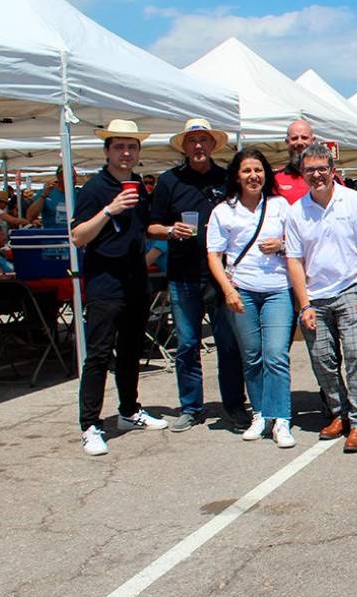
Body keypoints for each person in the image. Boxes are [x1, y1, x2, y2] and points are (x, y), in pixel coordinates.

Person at [70, 119, 167, 456]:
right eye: (119, 147)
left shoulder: (138, 185)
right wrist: (108, 211)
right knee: (98, 355)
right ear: (107, 151)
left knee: (130, 352)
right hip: (104, 284)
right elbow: (78, 236)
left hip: (135, 282)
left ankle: (129, 411)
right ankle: (90, 425)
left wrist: (167, 231)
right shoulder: (95, 189)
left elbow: (143, 229)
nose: (126, 153)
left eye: (132, 147)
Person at [148, 118, 246, 432]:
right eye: (193, 141)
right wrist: (169, 229)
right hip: (183, 274)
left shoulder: (228, 177)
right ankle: (191, 407)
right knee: (188, 344)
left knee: (228, 344)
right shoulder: (168, 180)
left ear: (213, 145)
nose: (199, 146)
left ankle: (233, 405)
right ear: (185, 147)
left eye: (204, 140)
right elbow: (151, 226)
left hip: (222, 276)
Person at [285, 143, 357, 453]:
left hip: (351, 289)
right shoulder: (296, 211)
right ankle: (338, 413)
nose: (316, 175)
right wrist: (305, 305)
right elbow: (294, 261)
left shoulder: (353, 201)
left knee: (356, 356)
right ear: (302, 174)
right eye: (310, 170)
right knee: (321, 360)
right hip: (316, 295)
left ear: (332, 171)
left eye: (321, 169)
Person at [205, 148, 295, 449]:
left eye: (258, 170)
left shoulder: (280, 205)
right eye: (247, 171)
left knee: (276, 355)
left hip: (278, 289)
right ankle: (260, 414)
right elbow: (214, 255)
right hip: (241, 290)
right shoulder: (223, 211)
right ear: (237, 176)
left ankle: (281, 419)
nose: (253, 176)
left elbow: (298, 245)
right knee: (252, 356)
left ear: (266, 174)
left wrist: (281, 244)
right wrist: (228, 290)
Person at [275, 119, 317, 204]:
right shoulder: (274, 179)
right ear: (287, 142)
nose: (299, 142)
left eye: (304, 138)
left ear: (313, 141)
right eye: (294, 138)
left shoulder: (329, 177)